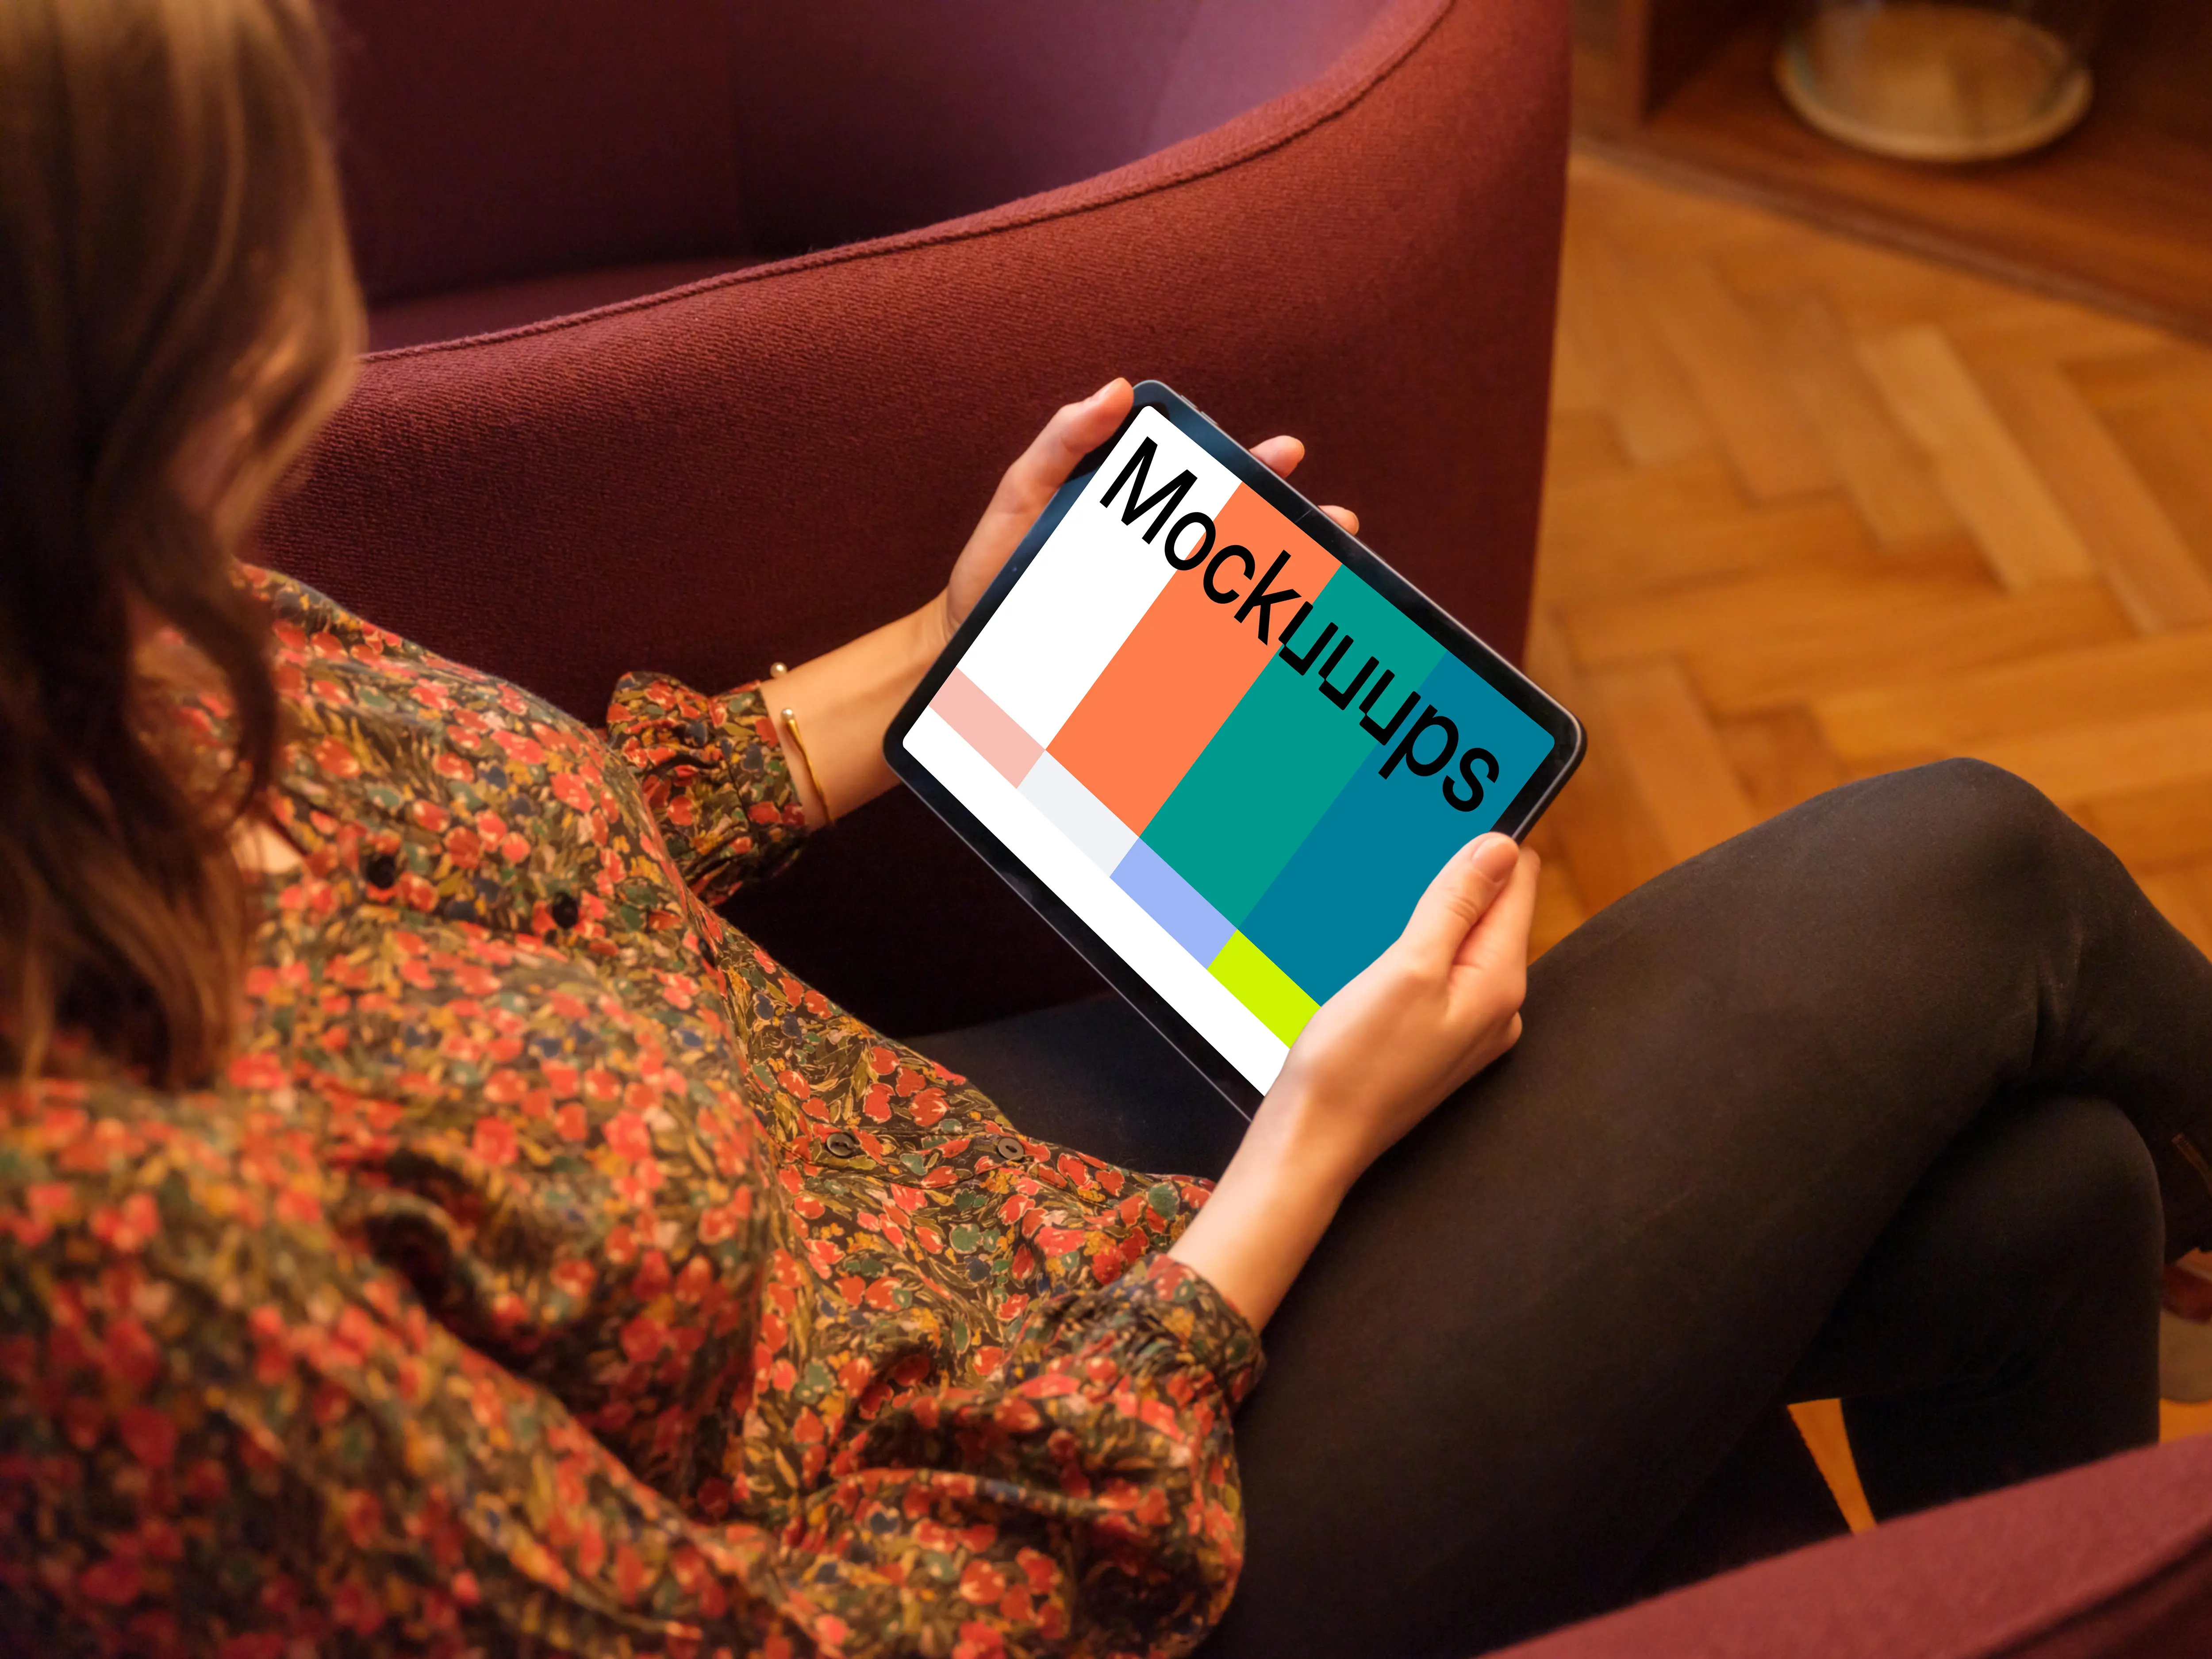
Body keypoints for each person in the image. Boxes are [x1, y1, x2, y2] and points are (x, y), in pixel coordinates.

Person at [5, 3, 2212, 1657]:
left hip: (911, 1192)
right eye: (257, 224)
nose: (320, 288)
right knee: (1964, 866)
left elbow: (513, 852)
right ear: (122, 352)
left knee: (2044, 1199)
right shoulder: (109, 1268)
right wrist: (1297, 1169)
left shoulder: (108, 635)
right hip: (1063, 1521)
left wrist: (946, 649)